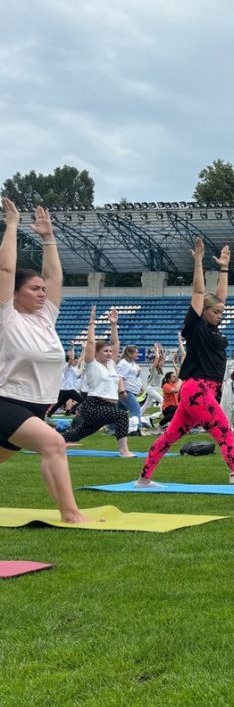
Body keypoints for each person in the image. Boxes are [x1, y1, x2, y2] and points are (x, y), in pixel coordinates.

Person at [138, 239, 234, 490]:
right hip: (197, 389)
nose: (220, 315)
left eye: (222, 313)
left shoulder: (214, 327)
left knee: (169, 437)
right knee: (225, 434)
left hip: (202, 390)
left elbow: (220, 297)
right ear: (204, 311)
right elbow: (199, 293)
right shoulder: (195, 327)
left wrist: (225, 269)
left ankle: (143, 479)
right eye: (216, 312)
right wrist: (198, 261)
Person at [0, 199, 90, 523]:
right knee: (54, 444)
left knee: (48, 447)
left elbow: (55, 277)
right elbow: (6, 270)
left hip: (38, 406)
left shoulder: (45, 319)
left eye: (42, 289)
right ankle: (71, 514)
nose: (42, 292)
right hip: (6, 403)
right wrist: (11, 225)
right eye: (34, 288)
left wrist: (48, 238)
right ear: (15, 292)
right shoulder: (6, 316)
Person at [61, 306, 135, 457]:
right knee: (122, 415)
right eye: (105, 351)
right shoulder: (91, 364)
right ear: (96, 352)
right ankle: (124, 450)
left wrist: (113, 325)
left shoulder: (111, 364)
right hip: (94, 405)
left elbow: (115, 344)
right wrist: (92, 322)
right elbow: (90, 342)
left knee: (77, 434)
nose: (109, 353)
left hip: (107, 406)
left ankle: (49, 443)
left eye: (110, 351)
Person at [116, 344, 145, 434]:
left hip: (131, 390)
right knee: (136, 409)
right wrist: (122, 391)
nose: (137, 354)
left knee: (119, 411)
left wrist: (141, 386)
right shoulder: (123, 363)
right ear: (129, 354)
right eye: (136, 352)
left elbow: (134, 376)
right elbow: (120, 377)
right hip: (126, 391)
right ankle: (137, 429)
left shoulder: (132, 363)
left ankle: (112, 428)